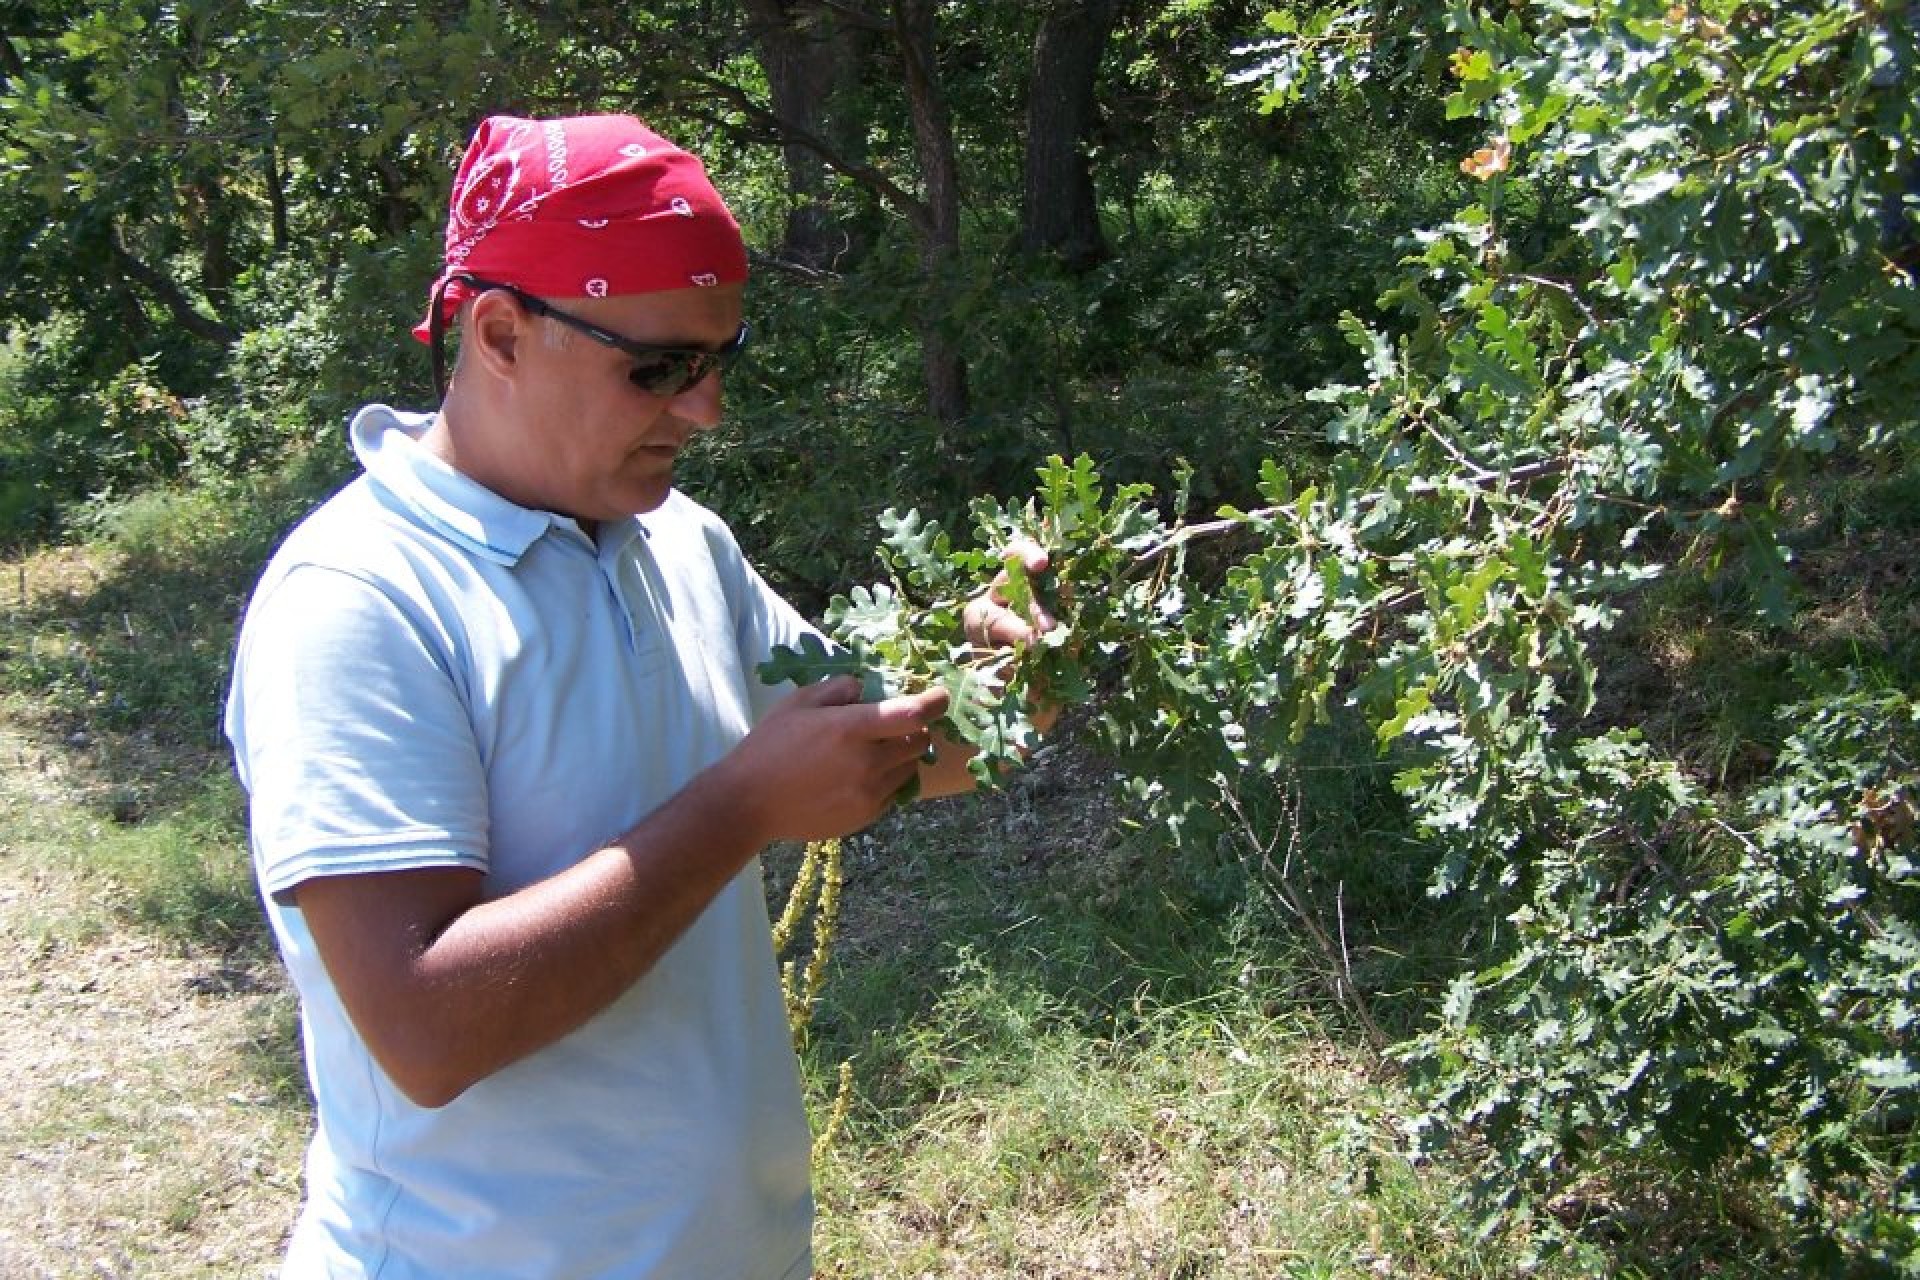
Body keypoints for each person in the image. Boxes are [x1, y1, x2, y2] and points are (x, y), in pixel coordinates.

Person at [224, 113, 1047, 1280]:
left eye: (719, 359)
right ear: (500, 331)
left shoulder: (678, 543)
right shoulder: (361, 598)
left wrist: (1019, 688)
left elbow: (868, 752)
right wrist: (741, 808)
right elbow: (425, 1027)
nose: (703, 409)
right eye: (657, 366)